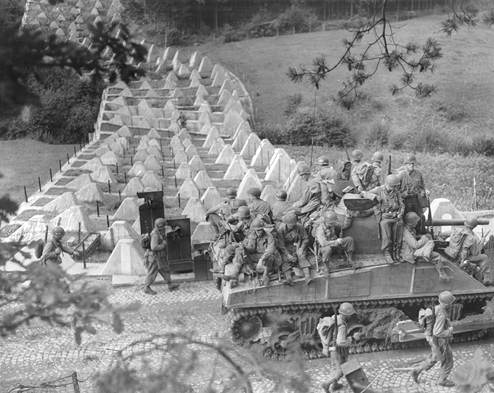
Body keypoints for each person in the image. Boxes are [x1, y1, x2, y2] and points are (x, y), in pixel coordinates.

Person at [411, 291, 455, 387]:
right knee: (448, 361)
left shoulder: (437, 308)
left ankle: (417, 370)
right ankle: (442, 380)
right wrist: (450, 330)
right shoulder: (442, 315)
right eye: (451, 303)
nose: (452, 304)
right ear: (448, 304)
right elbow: (438, 332)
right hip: (440, 341)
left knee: (434, 358)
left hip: (433, 340)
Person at [319, 302, 361, 392]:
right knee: (341, 371)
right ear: (346, 315)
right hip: (337, 350)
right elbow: (341, 342)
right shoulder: (342, 325)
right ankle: (327, 384)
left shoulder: (336, 318)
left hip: (332, 348)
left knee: (336, 367)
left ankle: (335, 385)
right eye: (350, 315)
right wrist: (353, 338)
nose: (350, 316)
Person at [367, 174, 405, 264]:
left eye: (395, 186)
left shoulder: (396, 192)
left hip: (396, 215)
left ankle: (396, 252)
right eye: (393, 186)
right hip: (385, 216)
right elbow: (364, 193)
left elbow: (402, 204)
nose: (394, 188)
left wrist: (401, 213)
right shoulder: (379, 190)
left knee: (399, 225)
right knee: (385, 226)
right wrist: (374, 197)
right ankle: (387, 252)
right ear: (387, 184)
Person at [401, 212, 451, 281]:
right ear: (411, 223)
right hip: (410, 254)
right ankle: (442, 275)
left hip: (412, 250)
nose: (417, 223)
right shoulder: (406, 232)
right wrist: (424, 238)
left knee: (430, 246)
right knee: (437, 255)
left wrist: (422, 236)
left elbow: (414, 237)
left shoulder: (411, 229)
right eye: (416, 222)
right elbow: (415, 245)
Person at [445, 218, 493, 285]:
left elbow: (443, 235)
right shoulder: (473, 237)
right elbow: (476, 252)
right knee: (484, 257)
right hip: (464, 258)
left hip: (453, 255)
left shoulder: (456, 230)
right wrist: (482, 242)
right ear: (474, 226)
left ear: (465, 223)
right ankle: (486, 279)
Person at [243, 217, 286, 286]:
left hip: (269, 256)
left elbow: (270, 250)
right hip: (258, 255)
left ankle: (265, 274)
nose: (259, 232)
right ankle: (251, 270)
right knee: (243, 256)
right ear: (254, 230)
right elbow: (252, 249)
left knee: (270, 258)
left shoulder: (269, 235)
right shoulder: (252, 236)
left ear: (263, 229)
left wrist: (262, 259)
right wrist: (245, 248)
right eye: (257, 230)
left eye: (260, 230)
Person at [144, 218, 179, 295]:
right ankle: (146, 287)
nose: (163, 228)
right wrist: (163, 245)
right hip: (155, 257)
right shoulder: (155, 234)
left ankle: (170, 284)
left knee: (165, 270)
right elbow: (154, 247)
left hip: (160, 257)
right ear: (157, 226)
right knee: (152, 272)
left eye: (163, 226)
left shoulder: (160, 232)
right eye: (161, 226)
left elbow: (168, 230)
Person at [277, 212, 313, 284]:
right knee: (285, 259)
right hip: (287, 248)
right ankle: (289, 278)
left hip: (298, 245)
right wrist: (288, 254)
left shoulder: (299, 226)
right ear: (286, 223)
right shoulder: (281, 230)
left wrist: (302, 248)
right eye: (291, 224)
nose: (293, 226)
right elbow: (281, 245)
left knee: (302, 256)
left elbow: (305, 239)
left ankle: (307, 276)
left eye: (294, 224)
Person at [399, 154, 427, 233]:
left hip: (415, 200)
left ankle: (420, 234)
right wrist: (404, 194)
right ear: (405, 165)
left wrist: (423, 192)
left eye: (413, 163)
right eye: (409, 164)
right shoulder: (401, 175)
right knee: (405, 219)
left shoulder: (418, 174)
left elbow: (422, 187)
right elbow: (396, 191)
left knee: (420, 218)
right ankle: (407, 235)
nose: (411, 165)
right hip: (405, 201)